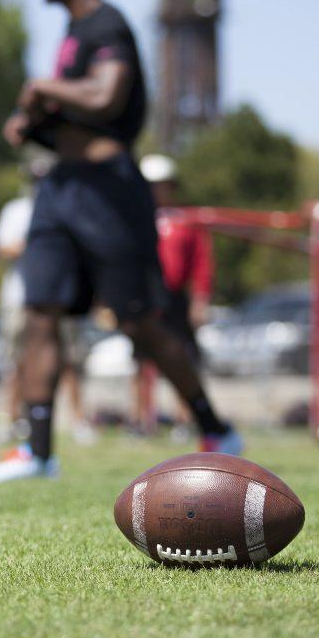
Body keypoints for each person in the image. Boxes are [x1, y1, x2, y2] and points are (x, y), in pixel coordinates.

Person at [0, 0, 240, 484]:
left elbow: (107, 95)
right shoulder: (70, 35)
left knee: (139, 321)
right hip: (58, 189)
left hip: (108, 192)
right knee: (40, 311)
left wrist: (44, 90)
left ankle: (216, 427)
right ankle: (38, 451)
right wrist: (32, 122)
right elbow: (73, 106)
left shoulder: (106, 24)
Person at [0, 154, 96, 446]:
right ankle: (9, 420)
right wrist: (43, 249)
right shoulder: (16, 210)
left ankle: (78, 420)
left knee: (69, 362)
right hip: (20, 297)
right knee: (17, 361)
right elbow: (5, 247)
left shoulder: (70, 207)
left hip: (62, 297)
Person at [133, 154, 214, 435]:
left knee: (182, 357)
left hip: (174, 299)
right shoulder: (133, 221)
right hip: (143, 298)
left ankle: (184, 418)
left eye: (162, 184)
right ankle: (144, 419)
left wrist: (200, 300)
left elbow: (202, 264)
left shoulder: (186, 222)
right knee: (141, 361)